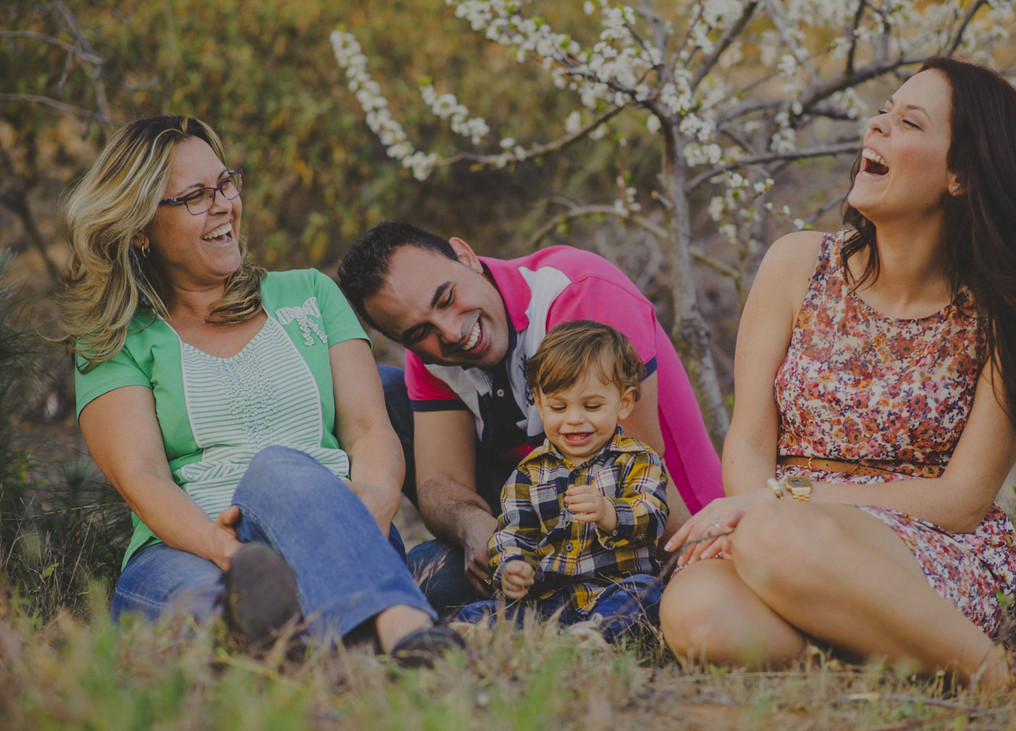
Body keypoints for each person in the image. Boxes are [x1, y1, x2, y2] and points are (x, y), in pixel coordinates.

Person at [658, 56, 1016, 688]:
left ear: (960, 176)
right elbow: (750, 440)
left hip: (923, 544)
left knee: (776, 538)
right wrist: (753, 513)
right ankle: (889, 661)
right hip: (776, 528)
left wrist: (777, 504)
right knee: (699, 617)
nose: (878, 125)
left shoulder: (1005, 315)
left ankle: (1006, 683)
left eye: (909, 122)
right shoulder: (795, 265)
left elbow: (961, 501)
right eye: (883, 111)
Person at [58, 116, 462, 665]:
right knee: (205, 611)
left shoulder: (310, 294)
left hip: (332, 525)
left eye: (225, 183)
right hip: (185, 547)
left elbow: (370, 429)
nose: (224, 204)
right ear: (139, 228)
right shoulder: (115, 340)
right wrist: (222, 548)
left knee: (277, 468)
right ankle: (299, 637)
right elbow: (142, 477)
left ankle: (400, 625)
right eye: (196, 196)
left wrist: (369, 514)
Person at [336, 222, 723, 613]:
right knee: (425, 576)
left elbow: (633, 478)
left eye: (446, 298)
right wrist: (473, 525)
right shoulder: (432, 355)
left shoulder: (577, 293)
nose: (451, 332)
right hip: (542, 517)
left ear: (466, 257)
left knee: (438, 586)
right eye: (420, 332)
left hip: (657, 532)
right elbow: (440, 480)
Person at [452, 321, 668, 641]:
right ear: (540, 405)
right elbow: (514, 533)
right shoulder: (528, 473)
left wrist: (609, 512)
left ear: (624, 402)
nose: (574, 419)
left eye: (591, 406)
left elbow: (653, 517)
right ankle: (481, 634)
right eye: (558, 406)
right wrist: (513, 566)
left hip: (614, 589)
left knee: (647, 593)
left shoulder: (637, 460)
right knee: (485, 609)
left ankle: (594, 636)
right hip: (549, 599)